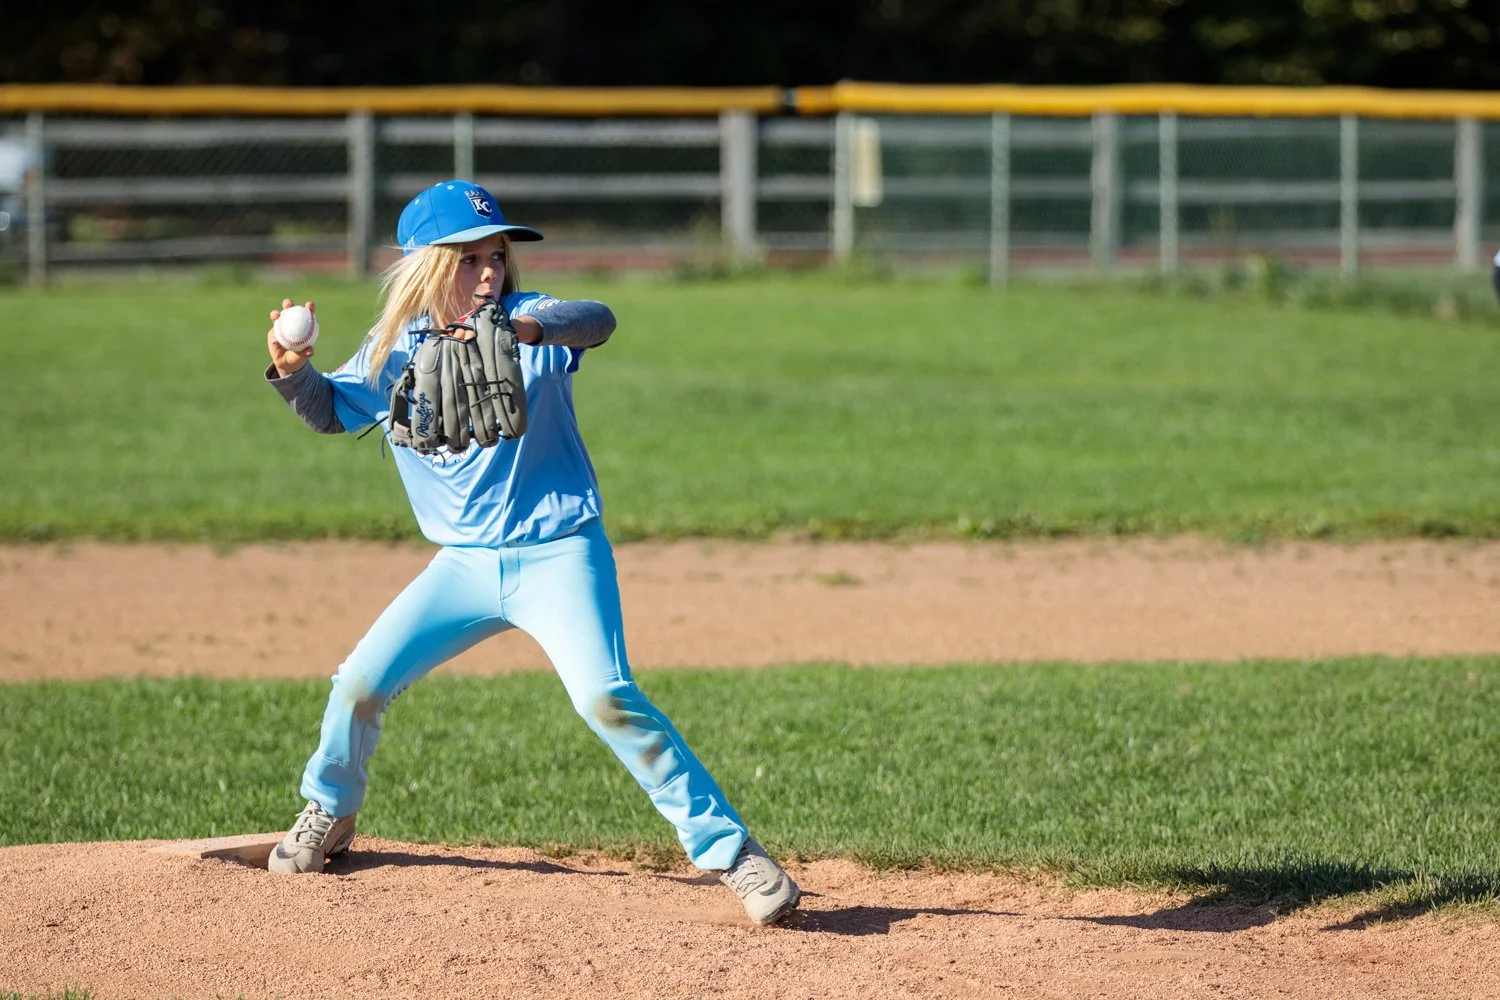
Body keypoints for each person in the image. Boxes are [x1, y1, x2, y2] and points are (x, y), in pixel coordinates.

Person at [261, 179, 800, 925]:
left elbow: (597, 320)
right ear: (426, 267)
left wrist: (530, 333)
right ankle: (330, 809)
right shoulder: (390, 350)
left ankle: (732, 853)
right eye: (470, 259)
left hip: (559, 552)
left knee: (605, 695)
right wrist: (293, 373)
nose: (490, 272)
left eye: (497, 256)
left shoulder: (527, 315)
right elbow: (329, 409)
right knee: (357, 684)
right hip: (463, 567)